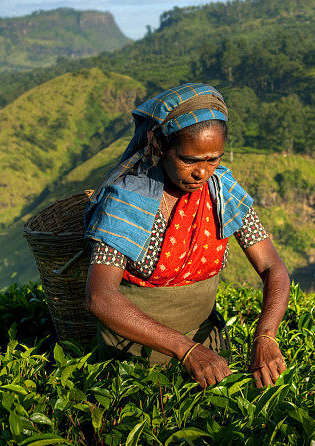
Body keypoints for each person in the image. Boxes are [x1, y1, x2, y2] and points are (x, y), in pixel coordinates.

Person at [84, 83, 290, 389]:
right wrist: (185, 349)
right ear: (161, 148)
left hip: (208, 350)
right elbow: (100, 297)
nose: (201, 173)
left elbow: (273, 268)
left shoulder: (222, 190)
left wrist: (266, 335)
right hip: (132, 358)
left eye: (213, 159)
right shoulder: (128, 200)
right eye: (189, 160)